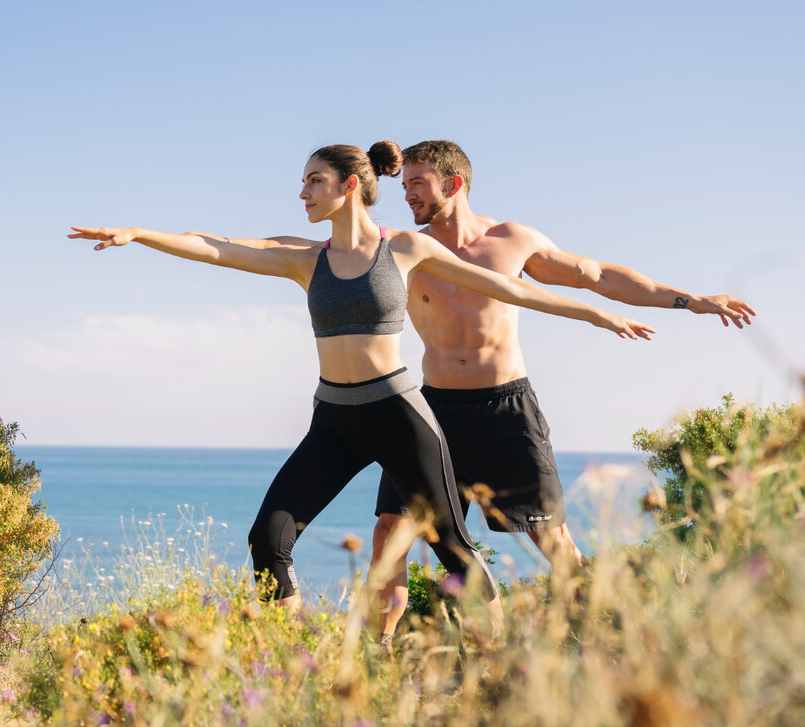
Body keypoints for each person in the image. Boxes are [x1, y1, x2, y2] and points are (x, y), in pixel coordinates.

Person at [69, 142, 653, 630]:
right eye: (302, 183)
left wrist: (594, 314)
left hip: (399, 412)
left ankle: (497, 669)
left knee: (452, 550)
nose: (303, 193)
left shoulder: (404, 248)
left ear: (349, 185)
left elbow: (511, 289)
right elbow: (217, 245)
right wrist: (140, 233)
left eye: (313, 182)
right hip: (335, 420)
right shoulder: (305, 259)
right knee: (267, 540)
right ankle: (292, 662)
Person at [368, 140, 755, 638]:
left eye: (417, 184)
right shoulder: (407, 248)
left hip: (504, 409)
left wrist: (691, 300)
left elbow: (596, 276)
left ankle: (598, 639)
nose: (408, 196)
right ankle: (378, 653)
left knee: (552, 538)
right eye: (405, 186)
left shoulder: (510, 240)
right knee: (389, 532)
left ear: (454, 184)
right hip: (432, 408)